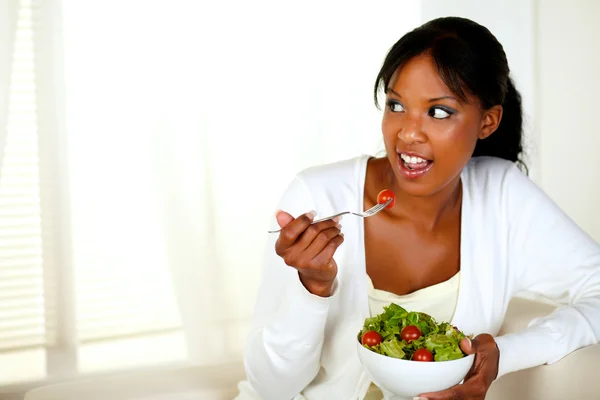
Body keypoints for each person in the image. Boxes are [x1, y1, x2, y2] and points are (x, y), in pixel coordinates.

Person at [235, 16, 600, 400]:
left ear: (488, 122)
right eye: (396, 105)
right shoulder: (318, 197)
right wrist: (312, 288)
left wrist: (506, 353)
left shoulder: (504, 197)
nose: (407, 133)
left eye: (438, 112)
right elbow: (270, 388)